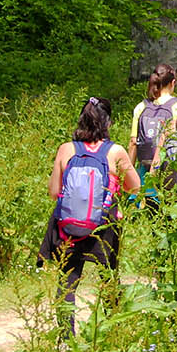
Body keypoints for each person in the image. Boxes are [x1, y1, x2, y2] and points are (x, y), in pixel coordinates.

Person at [41, 98, 141, 320]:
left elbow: (53, 191)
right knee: (107, 277)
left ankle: (66, 339)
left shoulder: (65, 150)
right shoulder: (115, 151)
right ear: (108, 123)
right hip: (104, 225)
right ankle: (110, 331)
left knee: (67, 282)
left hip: (68, 227)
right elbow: (135, 186)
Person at [127, 65, 177, 183]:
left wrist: (128, 174)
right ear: (173, 82)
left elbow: (133, 142)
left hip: (143, 166)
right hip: (168, 169)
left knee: (142, 196)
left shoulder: (142, 106)